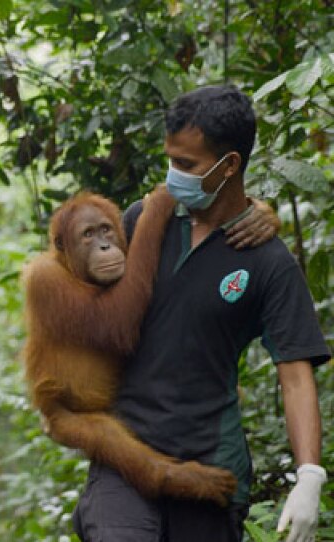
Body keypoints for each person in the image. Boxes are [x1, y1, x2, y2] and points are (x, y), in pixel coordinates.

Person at [72, 85, 329, 541]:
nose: (173, 176)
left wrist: (310, 474)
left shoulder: (267, 261)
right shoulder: (141, 219)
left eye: (186, 166)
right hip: (125, 459)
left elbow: (294, 373)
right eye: (170, 160)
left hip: (210, 468)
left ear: (229, 165)